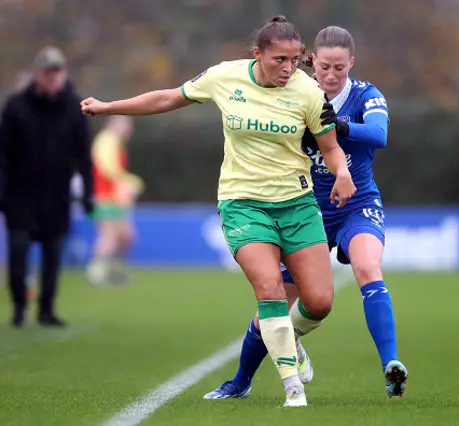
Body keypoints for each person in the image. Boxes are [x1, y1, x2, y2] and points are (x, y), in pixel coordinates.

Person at [79, 16, 356, 407]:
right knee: (270, 290)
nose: (289, 68)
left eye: (295, 60)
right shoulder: (225, 77)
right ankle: (293, 388)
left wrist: (342, 173)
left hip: (297, 204)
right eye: (280, 59)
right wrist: (109, 108)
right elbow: (167, 97)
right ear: (258, 54)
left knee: (320, 302)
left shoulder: (309, 91)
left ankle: (288, 339)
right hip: (243, 204)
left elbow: (329, 148)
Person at [206, 26, 408, 401]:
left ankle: (391, 366)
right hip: (306, 208)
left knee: (367, 268)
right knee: (274, 305)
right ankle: (240, 382)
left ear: (352, 64)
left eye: (339, 68)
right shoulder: (298, 92)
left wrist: (339, 124)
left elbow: (379, 135)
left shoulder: (367, 94)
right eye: (325, 67)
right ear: (312, 61)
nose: (331, 76)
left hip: (355, 204)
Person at [0, 46, 94, 328]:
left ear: (63, 74)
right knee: (18, 252)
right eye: (47, 72)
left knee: (53, 256)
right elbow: (2, 154)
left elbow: (84, 156)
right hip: (20, 194)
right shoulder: (16, 106)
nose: (52, 78)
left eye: (57, 72)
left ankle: (47, 309)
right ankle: (18, 306)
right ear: (37, 74)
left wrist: (88, 193)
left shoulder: (76, 108)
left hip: (57, 194)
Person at [86, 116, 142, 286]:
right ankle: (97, 272)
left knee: (126, 237)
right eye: (125, 126)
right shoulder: (106, 141)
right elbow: (108, 169)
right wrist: (130, 182)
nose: (128, 131)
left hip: (116, 199)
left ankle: (113, 270)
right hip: (106, 197)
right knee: (108, 236)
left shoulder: (113, 142)